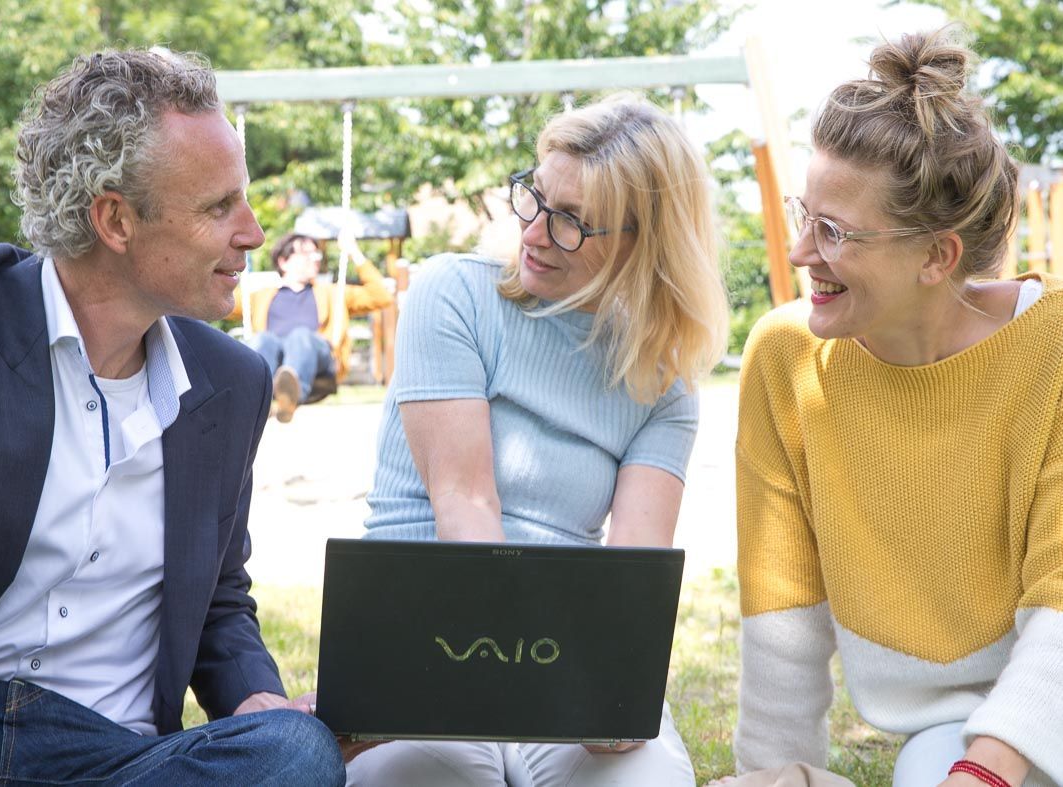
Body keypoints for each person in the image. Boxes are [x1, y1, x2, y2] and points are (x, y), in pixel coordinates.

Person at [0, 49, 346, 785]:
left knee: (294, 751)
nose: (255, 233)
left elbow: (218, 597)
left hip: (120, 758)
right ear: (115, 219)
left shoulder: (232, 382)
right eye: (218, 206)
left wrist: (255, 700)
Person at [351, 93, 729, 786]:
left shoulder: (664, 388)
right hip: (425, 640)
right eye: (536, 198)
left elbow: (631, 582)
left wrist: (614, 687)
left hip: (564, 657)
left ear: (643, 241)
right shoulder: (453, 295)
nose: (534, 232)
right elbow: (465, 503)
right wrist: (517, 684)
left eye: (573, 222)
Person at [734, 28, 1061, 787]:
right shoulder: (785, 357)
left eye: (833, 231)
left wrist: (986, 771)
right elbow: (783, 606)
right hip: (951, 728)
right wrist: (771, 773)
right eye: (804, 214)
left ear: (936, 256)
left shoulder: (1051, 352)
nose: (800, 252)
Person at [240, 229, 393, 422]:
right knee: (264, 340)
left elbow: (382, 296)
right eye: (306, 253)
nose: (314, 258)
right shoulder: (259, 297)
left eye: (316, 253)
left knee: (300, 336)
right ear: (283, 261)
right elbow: (215, 301)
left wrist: (354, 252)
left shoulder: (332, 293)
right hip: (275, 355)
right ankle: (255, 400)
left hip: (318, 356)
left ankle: (291, 396)